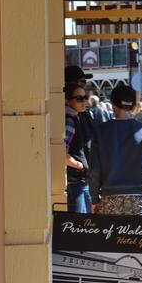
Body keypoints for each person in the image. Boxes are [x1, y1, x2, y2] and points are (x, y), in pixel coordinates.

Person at [89, 84, 142, 215]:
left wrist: (94, 198)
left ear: (113, 105)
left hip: (109, 199)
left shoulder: (101, 131)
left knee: (110, 235)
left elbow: (94, 171)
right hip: (138, 198)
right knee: (137, 236)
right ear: (134, 106)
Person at [63, 81, 92, 214]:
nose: (84, 101)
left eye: (85, 97)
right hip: (75, 181)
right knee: (80, 225)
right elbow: (62, 153)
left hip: (81, 180)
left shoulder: (77, 117)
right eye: (79, 98)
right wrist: (80, 165)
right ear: (68, 101)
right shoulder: (70, 120)